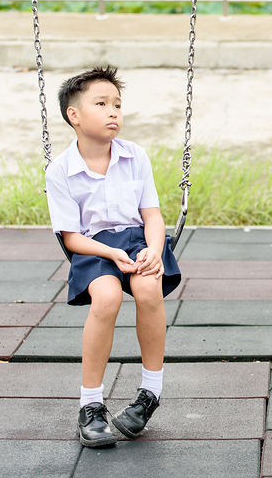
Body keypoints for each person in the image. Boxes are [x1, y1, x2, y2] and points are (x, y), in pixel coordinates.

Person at [45, 66, 181, 448]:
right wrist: (110, 252)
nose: (113, 112)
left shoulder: (134, 156)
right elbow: (71, 237)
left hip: (138, 241)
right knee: (105, 299)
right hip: (94, 247)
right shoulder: (60, 170)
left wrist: (154, 251)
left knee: (149, 290)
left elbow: (152, 215)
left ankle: (149, 393)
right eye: (101, 104)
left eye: (118, 105)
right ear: (74, 114)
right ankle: (90, 404)